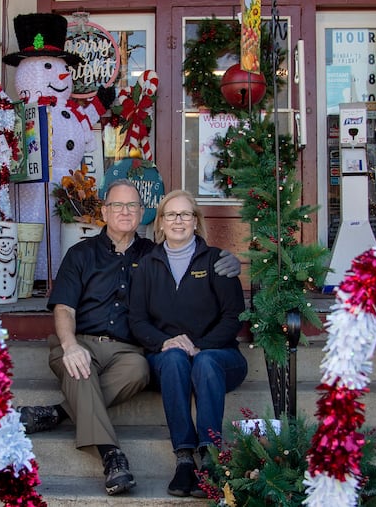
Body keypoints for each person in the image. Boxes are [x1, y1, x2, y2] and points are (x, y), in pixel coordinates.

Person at [18, 179, 241, 496]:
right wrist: (69, 346)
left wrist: (226, 260)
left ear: (144, 213)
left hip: (127, 351)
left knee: (141, 368)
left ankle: (59, 413)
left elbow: (188, 255)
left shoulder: (154, 255)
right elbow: (64, 308)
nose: (125, 212)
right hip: (81, 341)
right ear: (105, 212)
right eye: (118, 206)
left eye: (133, 206)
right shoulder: (81, 254)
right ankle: (111, 456)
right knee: (80, 371)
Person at [128, 189, 248, 498]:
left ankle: (209, 457)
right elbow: (138, 321)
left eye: (185, 214)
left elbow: (233, 318)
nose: (178, 220)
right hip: (167, 361)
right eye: (171, 214)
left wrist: (200, 345)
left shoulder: (217, 261)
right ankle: (184, 458)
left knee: (206, 361)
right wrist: (166, 342)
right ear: (161, 223)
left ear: (196, 221)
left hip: (220, 358)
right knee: (173, 360)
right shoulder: (146, 266)